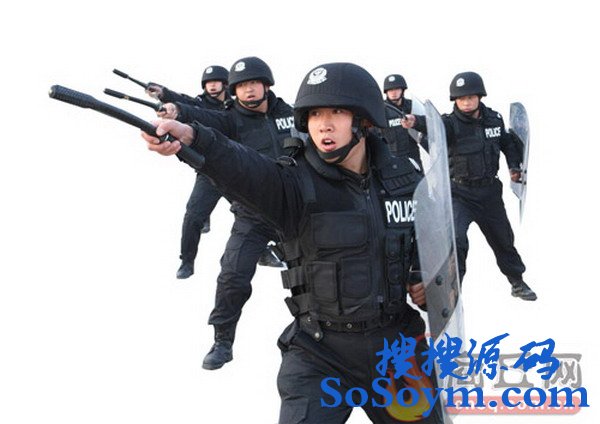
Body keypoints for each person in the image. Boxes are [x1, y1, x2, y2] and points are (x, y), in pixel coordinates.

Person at [141, 62, 444, 423]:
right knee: (234, 273)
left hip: (398, 349)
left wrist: (424, 278)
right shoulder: (293, 183)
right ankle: (222, 335)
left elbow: (438, 241)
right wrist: (192, 137)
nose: (323, 124)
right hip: (320, 353)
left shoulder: (405, 179)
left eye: (337, 112)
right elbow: (242, 165)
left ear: (363, 120)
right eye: (315, 114)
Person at [159, 56, 294, 369]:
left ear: (266, 85)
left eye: (254, 83)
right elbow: (201, 119)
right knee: (232, 276)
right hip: (253, 212)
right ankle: (222, 340)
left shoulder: (289, 113)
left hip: (297, 206)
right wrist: (177, 114)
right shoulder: (229, 120)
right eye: (242, 86)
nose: (248, 90)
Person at [402, 71, 537, 301]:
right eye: (461, 98)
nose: (466, 102)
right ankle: (452, 292)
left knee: (503, 239)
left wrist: (514, 167)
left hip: (489, 194)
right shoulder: (448, 124)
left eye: (470, 97)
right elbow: (431, 126)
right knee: (456, 242)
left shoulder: (494, 119)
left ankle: (517, 281)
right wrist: (415, 121)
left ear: (479, 97)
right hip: (459, 195)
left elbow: (507, 144)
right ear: (454, 100)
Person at [146, 66, 233, 279]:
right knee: (193, 215)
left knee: (258, 212)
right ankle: (187, 261)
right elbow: (184, 104)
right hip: (211, 169)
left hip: (239, 167)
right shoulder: (200, 104)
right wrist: (164, 95)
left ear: (226, 84)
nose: (212, 85)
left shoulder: (236, 105)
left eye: (216, 81)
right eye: (208, 82)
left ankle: (266, 251)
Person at [381, 74, 426, 168]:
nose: (393, 93)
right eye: (390, 90)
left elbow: (428, 126)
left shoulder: (412, 106)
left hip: (412, 156)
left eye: (396, 89)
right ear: (386, 92)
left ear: (402, 90)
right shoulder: (380, 110)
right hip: (391, 159)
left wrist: (416, 120)